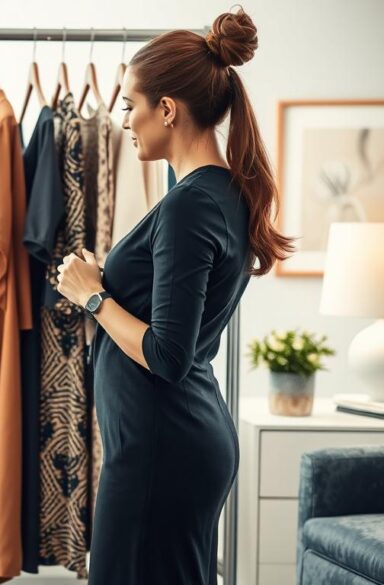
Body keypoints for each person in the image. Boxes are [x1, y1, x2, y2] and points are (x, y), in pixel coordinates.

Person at [54, 7, 294, 584]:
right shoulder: (214, 193)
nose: (125, 121)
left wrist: (93, 298)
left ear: (167, 109)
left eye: (130, 105)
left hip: (161, 449)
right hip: (172, 440)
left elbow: (167, 354)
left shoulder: (191, 204)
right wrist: (112, 279)